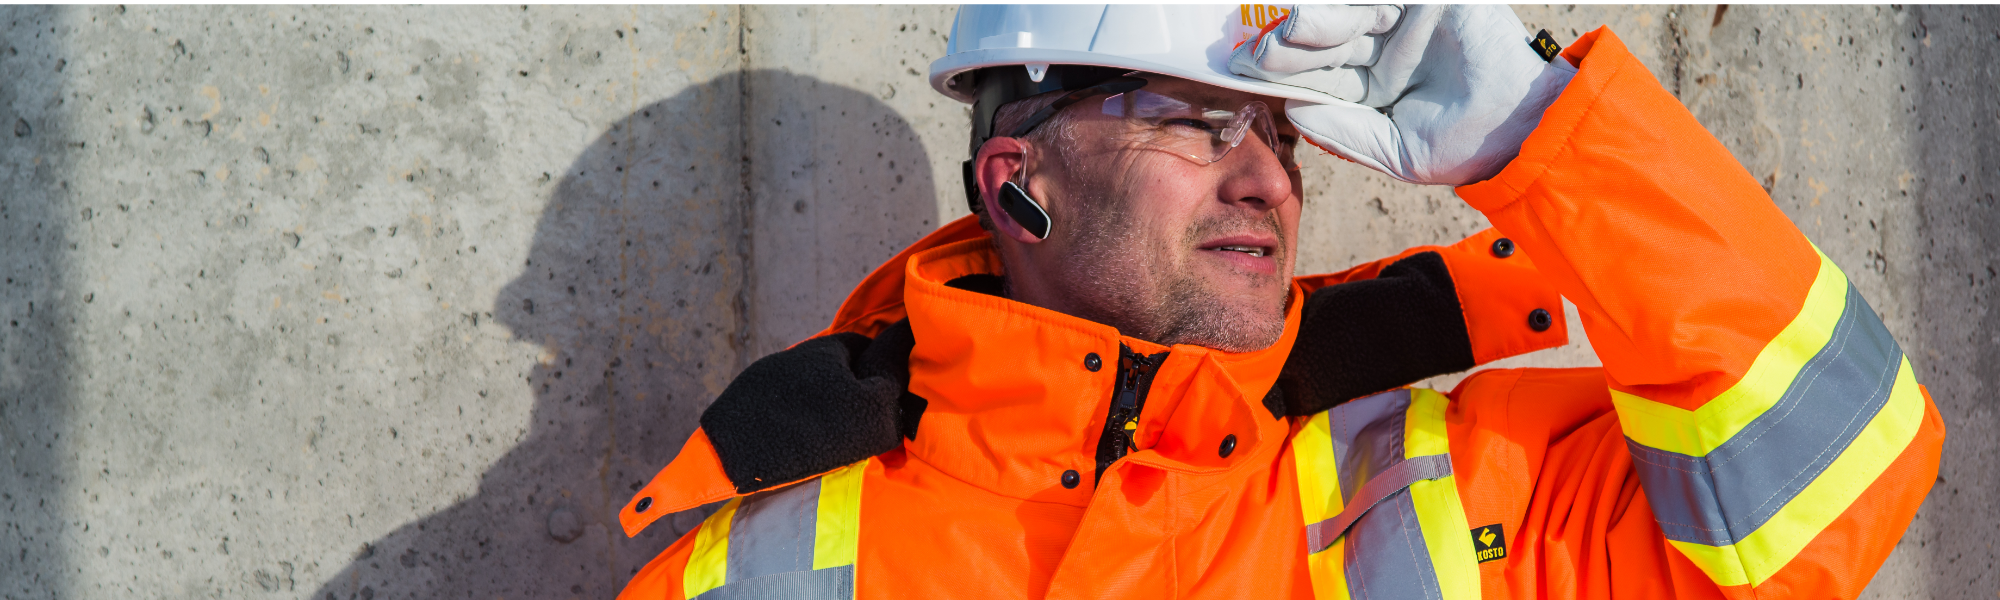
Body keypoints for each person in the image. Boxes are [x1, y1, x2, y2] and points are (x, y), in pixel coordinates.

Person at [615, 5, 1943, 599]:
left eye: (1287, 139)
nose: (1267, 179)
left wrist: (1544, 131)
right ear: (1020, 181)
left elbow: (1834, 468)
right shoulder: (759, 579)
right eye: (1197, 125)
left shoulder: (1468, 494)